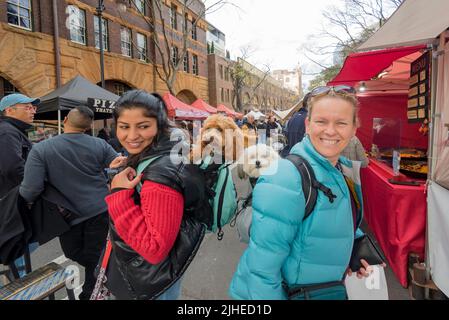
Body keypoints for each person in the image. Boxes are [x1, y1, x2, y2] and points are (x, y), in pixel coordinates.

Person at [229, 85, 383, 300]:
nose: (330, 131)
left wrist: (355, 252)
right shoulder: (286, 177)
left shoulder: (341, 170)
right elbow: (261, 269)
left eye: (341, 123)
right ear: (308, 125)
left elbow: (330, 221)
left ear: (354, 129)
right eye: (321, 121)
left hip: (326, 289)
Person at [102, 90, 207, 300]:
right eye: (124, 127)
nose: (131, 136)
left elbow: (154, 249)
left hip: (150, 284)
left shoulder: (159, 177)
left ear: (159, 125)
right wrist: (117, 174)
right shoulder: (166, 152)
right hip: (153, 277)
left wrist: (119, 194)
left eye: (143, 126)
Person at [19, 106, 125, 300]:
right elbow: (118, 163)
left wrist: (23, 203)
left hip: (66, 215)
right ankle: (106, 270)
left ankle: (91, 292)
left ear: (65, 119)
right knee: (92, 255)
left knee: (76, 253)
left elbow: (30, 189)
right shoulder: (99, 144)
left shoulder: (42, 148)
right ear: (90, 125)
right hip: (100, 209)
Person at [0, 93, 40, 278]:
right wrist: (31, 190)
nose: (33, 110)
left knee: (19, 248)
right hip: (12, 201)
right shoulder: (7, 131)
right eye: (28, 107)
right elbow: (13, 168)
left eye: (33, 107)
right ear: (9, 110)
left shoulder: (11, 130)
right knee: (17, 249)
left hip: (12, 200)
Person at [281, 92, 311, 157]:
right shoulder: (309, 118)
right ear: (309, 104)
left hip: (292, 156)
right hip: (303, 158)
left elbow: (286, 135)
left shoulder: (293, 117)